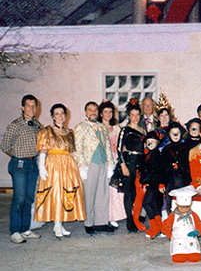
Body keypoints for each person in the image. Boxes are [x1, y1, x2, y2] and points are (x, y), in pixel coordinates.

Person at [35, 104, 86, 238]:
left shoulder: (69, 132)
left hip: (68, 164)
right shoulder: (47, 131)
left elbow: (73, 151)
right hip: (54, 164)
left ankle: (60, 222)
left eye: (62, 113)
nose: (60, 116)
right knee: (56, 193)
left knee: (66, 193)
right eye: (57, 114)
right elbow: (43, 150)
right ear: (52, 116)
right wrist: (41, 165)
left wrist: (79, 167)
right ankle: (56, 224)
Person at [1, 94, 42, 244]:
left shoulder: (38, 126)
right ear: (23, 107)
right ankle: (15, 231)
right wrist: (18, 155)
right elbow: (5, 146)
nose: (31, 108)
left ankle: (25, 229)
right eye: (28, 105)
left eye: (34, 105)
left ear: (37, 108)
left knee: (29, 198)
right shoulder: (15, 125)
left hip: (32, 165)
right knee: (18, 198)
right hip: (19, 164)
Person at [74, 101, 115, 235]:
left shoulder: (102, 127)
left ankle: (101, 222)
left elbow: (107, 146)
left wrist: (110, 164)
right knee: (89, 193)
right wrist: (82, 168)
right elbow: (78, 148)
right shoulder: (81, 127)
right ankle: (89, 222)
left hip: (102, 162)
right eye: (90, 110)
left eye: (95, 110)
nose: (93, 112)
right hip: (90, 163)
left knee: (103, 193)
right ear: (86, 112)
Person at [117, 98, 146, 232]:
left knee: (138, 192)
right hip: (129, 162)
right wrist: (123, 164)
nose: (135, 117)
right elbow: (119, 148)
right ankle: (129, 219)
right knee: (128, 192)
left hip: (141, 162)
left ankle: (136, 215)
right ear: (129, 116)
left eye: (137, 115)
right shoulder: (125, 130)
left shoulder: (143, 130)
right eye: (132, 115)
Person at [98, 100, 125, 228]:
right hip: (101, 160)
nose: (108, 114)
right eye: (105, 111)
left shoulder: (116, 128)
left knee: (113, 189)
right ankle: (103, 216)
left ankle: (113, 216)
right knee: (102, 190)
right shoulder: (97, 127)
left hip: (114, 160)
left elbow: (121, 146)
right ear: (101, 113)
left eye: (110, 111)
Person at [162, 186, 201, 263]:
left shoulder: (193, 215)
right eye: (182, 207)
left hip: (191, 238)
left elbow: (199, 224)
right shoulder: (173, 215)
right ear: (177, 205)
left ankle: (193, 253)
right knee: (179, 256)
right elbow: (165, 226)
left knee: (194, 255)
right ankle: (179, 254)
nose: (184, 210)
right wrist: (169, 234)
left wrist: (197, 231)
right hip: (178, 238)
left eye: (187, 207)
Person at [140, 131, 166, 239]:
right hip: (151, 183)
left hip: (156, 184)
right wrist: (144, 182)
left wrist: (161, 183)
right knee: (149, 204)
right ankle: (156, 226)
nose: (150, 144)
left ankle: (159, 227)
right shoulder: (148, 155)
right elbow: (145, 171)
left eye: (152, 142)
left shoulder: (158, 155)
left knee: (151, 204)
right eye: (148, 142)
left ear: (157, 143)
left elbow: (162, 170)